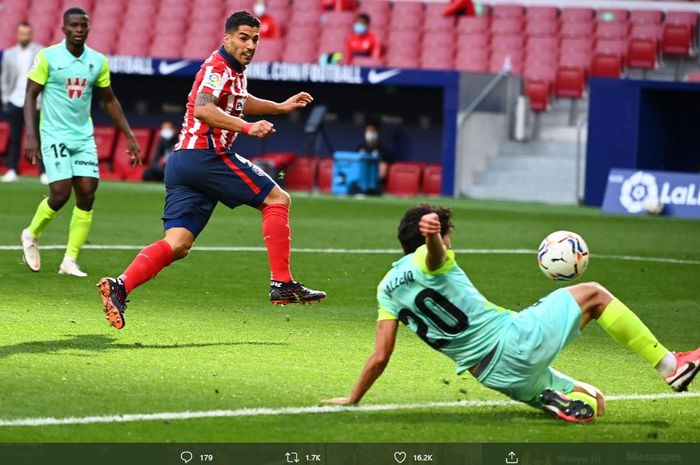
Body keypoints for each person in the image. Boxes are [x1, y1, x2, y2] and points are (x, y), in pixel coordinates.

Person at [323, 205, 700, 422]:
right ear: (431, 237)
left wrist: (352, 398)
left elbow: (380, 356)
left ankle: (556, 395)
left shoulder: (386, 287)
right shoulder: (429, 257)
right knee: (595, 295)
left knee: (593, 401)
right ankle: (672, 366)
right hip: (513, 339)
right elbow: (435, 257)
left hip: (493, 376)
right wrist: (433, 237)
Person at [97, 11, 326, 330]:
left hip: (183, 163)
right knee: (278, 199)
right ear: (227, 38)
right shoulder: (217, 67)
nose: (250, 45)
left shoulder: (233, 71)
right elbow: (204, 109)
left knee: (178, 244)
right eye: (244, 37)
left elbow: (238, 101)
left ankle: (120, 285)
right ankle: (282, 283)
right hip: (207, 156)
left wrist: (279, 107)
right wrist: (247, 128)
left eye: (255, 39)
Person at [20, 8, 141, 277]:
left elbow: (109, 99)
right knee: (61, 193)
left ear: (88, 28)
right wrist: (31, 135)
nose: (79, 29)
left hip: (83, 136)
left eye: (83, 25)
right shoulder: (48, 57)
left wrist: (129, 135)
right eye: (73, 25)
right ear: (63, 29)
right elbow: (30, 95)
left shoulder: (97, 61)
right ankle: (31, 234)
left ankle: (69, 261)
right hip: (54, 134)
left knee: (87, 192)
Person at [1, 22, 46, 184]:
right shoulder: (9, 54)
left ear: (31, 34)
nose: (24, 36)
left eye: (27, 33)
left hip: (35, 102)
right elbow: (4, 79)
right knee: (14, 137)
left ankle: (43, 172)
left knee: (38, 137)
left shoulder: (41, 52)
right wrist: (6, 98)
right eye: (21, 33)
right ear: (17, 34)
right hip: (15, 100)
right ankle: (12, 169)